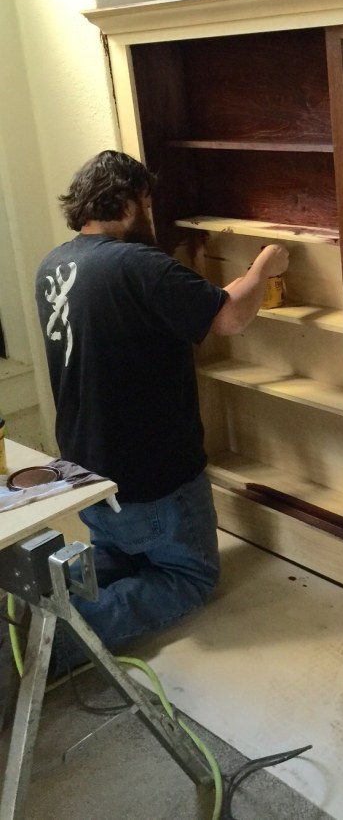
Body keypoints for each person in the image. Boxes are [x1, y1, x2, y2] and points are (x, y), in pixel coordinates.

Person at [34, 149, 289, 673]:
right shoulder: (138, 264)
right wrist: (264, 266)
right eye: (147, 202)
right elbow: (230, 317)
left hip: (84, 467)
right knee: (188, 578)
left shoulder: (53, 266)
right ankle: (60, 642)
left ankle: (50, 608)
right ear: (129, 202)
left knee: (116, 552)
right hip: (152, 475)